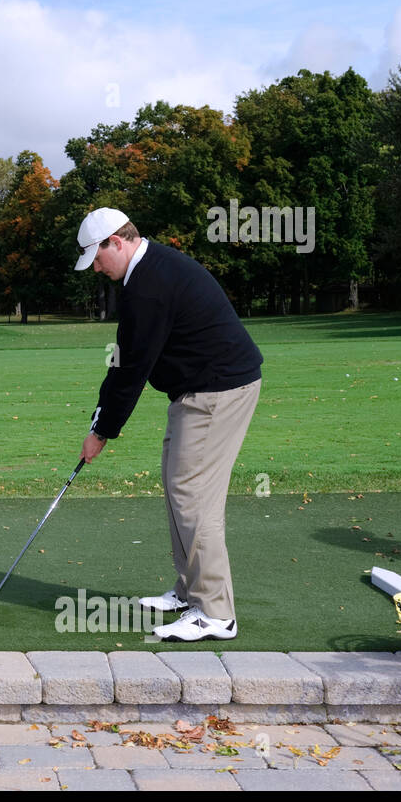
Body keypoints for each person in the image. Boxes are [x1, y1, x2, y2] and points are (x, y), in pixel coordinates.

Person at [75, 208, 262, 641]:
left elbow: (132, 370)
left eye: (98, 258)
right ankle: (188, 591)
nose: (97, 269)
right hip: (194, 390)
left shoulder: (149, 287)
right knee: (178, 486)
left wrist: (102, 433)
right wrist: (101, 418)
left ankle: (215, 613)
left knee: (193, 496)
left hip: (217, 391)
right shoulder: (144, 274)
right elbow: (124, 358)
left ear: (116, 242)